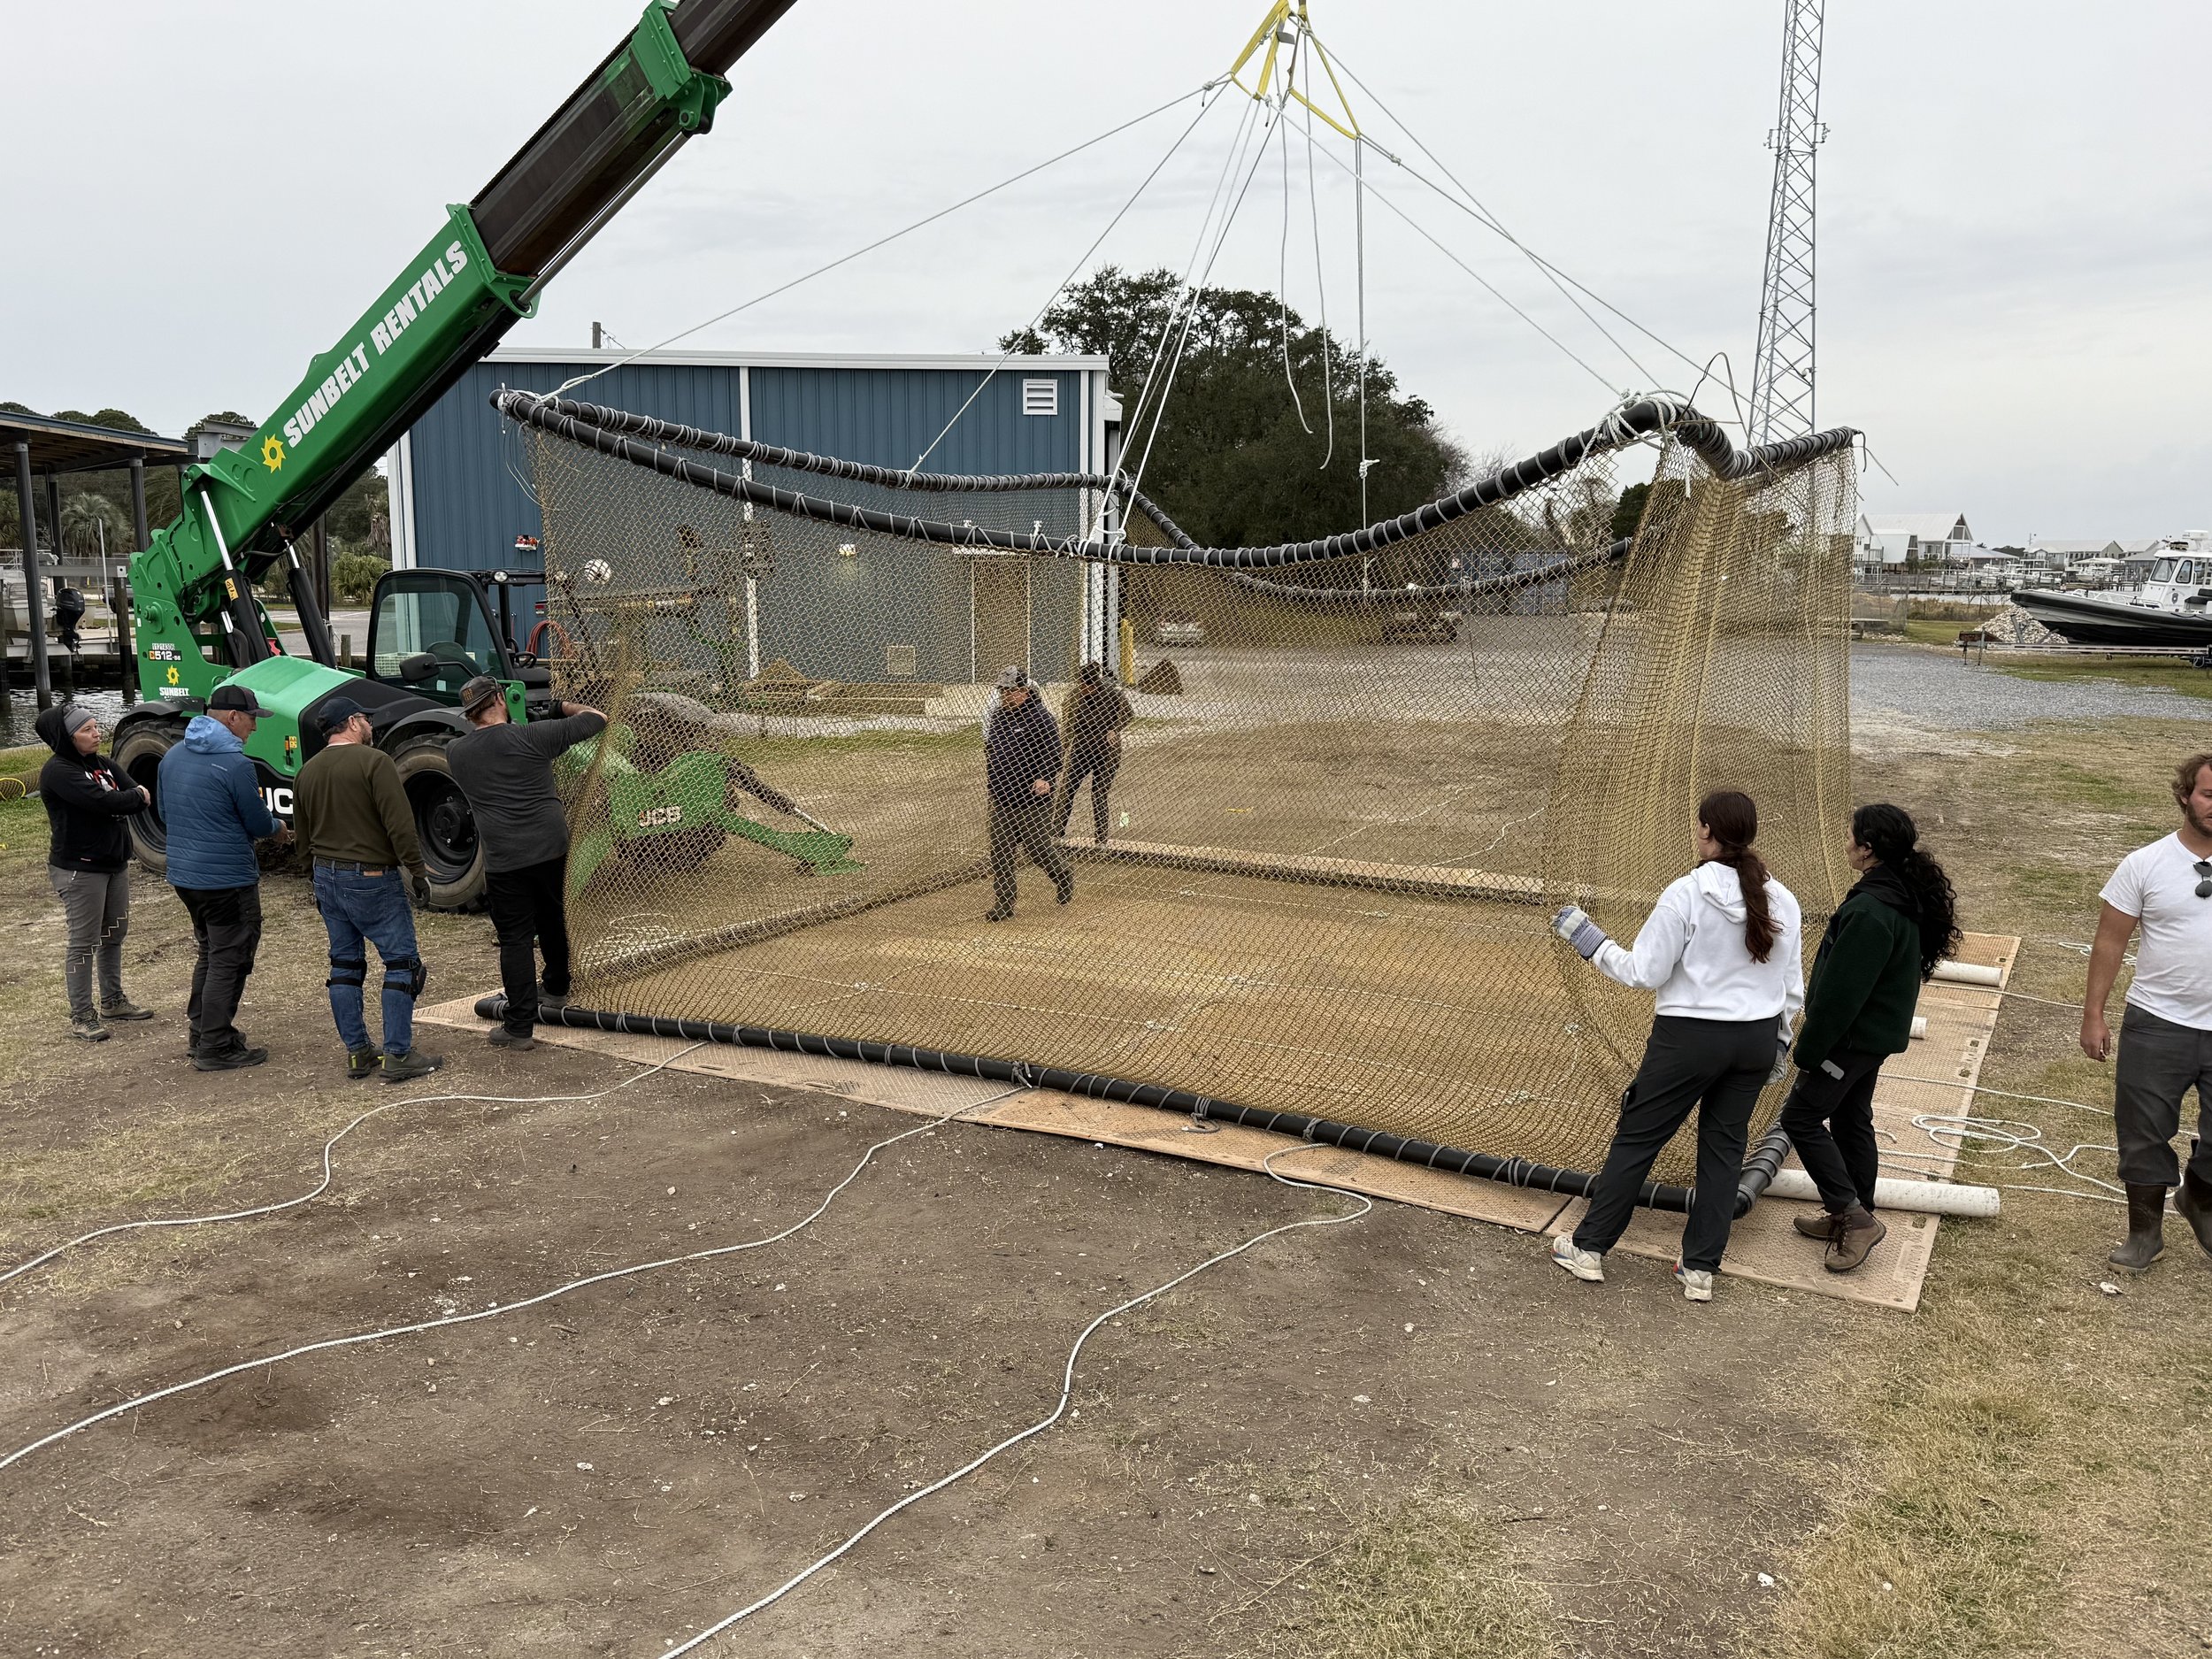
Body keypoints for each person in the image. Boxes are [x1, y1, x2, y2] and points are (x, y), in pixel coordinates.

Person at [1547, 789, 1804, 1302]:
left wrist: (1590, 942)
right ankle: (1701, 1269)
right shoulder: (1784, 899)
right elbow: (1792, 986)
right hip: (1753, 1038)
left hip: (1688, 1038)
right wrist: (1777, 1036)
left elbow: (1644, 972)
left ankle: (1590, 1248)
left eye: (1698, 826)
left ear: (1707, 831)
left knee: (1638, 1139)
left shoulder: (1686, 893)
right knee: (1725, 1151)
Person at [1778, 803, 1961, 1272]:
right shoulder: (1901, 894)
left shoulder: (1870, 910)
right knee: (1851, 1118)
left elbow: (1841, 995)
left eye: (1851, 837)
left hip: (1850, 1042)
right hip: (1873, 1039)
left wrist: (1810, 1050)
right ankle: (1853, 1214)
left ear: (1869, 848)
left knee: (1800, 1118)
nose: (1846, 844)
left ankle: (1852, 1215)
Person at [2081, 751, 2212, 1271]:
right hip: (2158, 1023)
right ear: (2185, 796)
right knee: (2143, 1130)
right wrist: (2094, 1014)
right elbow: (2110, 942)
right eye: (2209, 795)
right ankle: (2145, 1232)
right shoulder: (2145, 864)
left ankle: (2198, 1197)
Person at [446, 674, 607, 1051]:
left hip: (504, 858)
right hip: (550, 847)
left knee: (515, 939)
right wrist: (557, 708)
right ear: (501, 699)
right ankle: (556, 987)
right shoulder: (534, 737)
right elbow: (597, 718)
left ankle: (519, 1027)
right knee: (553, 918)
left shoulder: (457, 752)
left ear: (469, 715)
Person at [293, 697, 444, 1084]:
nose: (370, 726)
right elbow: (400, 824)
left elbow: (304, 836)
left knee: (345, 966)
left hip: (326, 875)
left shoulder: (307, 771)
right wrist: (417, 871)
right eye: (366, 718)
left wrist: (314, 876)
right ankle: (398, 1054)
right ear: (352, 722)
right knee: (401, 963)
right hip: (372, 877)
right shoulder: (375, 763)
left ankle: (358, 1053)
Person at [159, 683, 293, 1070]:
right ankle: (215, 1045)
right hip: (227, 880)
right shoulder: (236, 765)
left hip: (186, 875)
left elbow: (166, 815)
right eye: (252, 720)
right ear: (233, 718)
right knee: (229, 958)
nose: (254, 729)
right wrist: (278, 828)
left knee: (210, 950)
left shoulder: (173, 755)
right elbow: (255, 822)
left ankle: (203, 1032)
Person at [36, 705, 154, 1041]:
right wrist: (128, 797)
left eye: (96, 726)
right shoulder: (59, 771)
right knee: (84, 941)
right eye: (87, 730)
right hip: (80, 869)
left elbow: (136, 792)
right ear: (68, 737)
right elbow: (108, 802)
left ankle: (113, 1000)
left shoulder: (101, 764)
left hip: (114, 863)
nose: (97, 733)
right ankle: (81, 1015)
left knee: (115, 932)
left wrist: (127, 796)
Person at [982, 666, 1073, 922]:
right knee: (1001, 851)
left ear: (1023, 691)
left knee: (1037, 849)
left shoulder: (1042, 718)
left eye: (1009, 691)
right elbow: (992, 748)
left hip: (1032, 799)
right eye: (1002, 691)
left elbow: (1054, 752)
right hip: (1002, 798)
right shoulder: (999, 717)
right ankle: (1004, 903)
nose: (1004, 696)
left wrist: (1044, 777)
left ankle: (1062, 873)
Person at [1056, 661, 1133, 846]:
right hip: (1081, 748)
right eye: (1080, 684)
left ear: (1094, 685)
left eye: (1086, 686)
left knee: (1098, 793)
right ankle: (1056, 834)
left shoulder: (1113, 693)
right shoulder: (1075, 696)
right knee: (1067, 789)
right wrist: (1061, 751)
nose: (1082, 689)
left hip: (1107, 751)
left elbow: (1129, 714)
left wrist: (1115, 729)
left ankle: (1101, 840)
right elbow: (1067, 726)